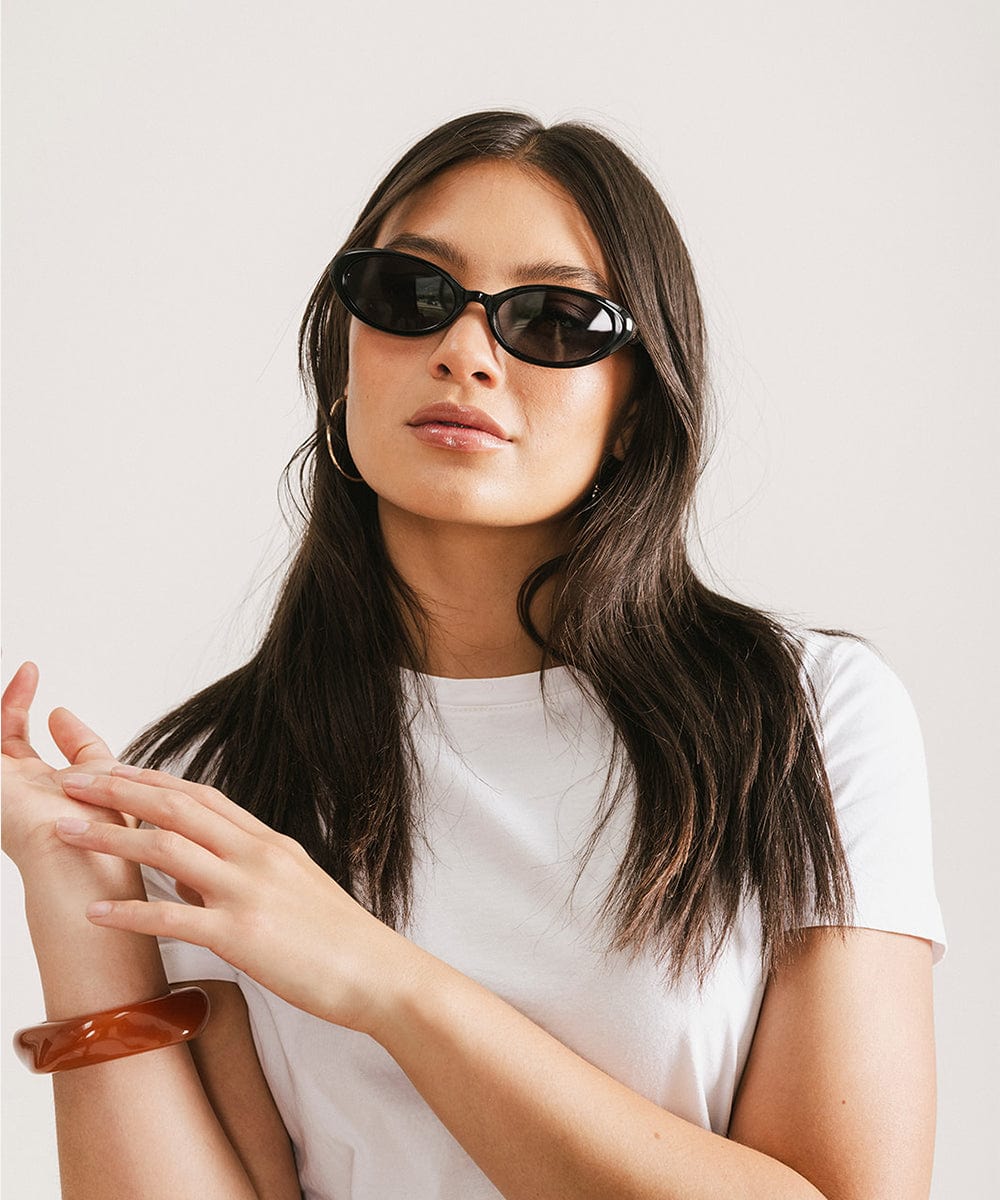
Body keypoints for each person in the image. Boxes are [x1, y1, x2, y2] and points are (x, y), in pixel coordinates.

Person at [2, 110, 946, 1200]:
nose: (463, 352)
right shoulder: (219, 774)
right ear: (344, 353)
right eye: (410, 295)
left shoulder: (805, 719)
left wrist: (381, 982)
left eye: (552, 320)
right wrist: (76, 900)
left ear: (635, 404)